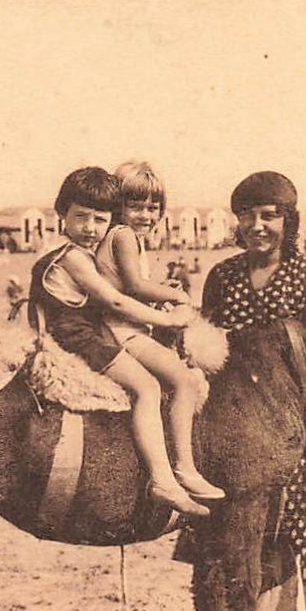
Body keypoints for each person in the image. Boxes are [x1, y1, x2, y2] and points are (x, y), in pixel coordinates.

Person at [193, 170, 306, 575]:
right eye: (247, 216)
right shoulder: (222, 277)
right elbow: (204, 352)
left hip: (299, 437)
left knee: (291, 551)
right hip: (233, 439)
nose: (257, 227)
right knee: (223, 552)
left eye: (269, 216)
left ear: (289, 221)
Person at [28, 166, 205, 516]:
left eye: (99, 220)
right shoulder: (74, 258)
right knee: (147, 388)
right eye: (81, 218)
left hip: (76, 331)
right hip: (79, 337)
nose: (91, 229)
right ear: (62, 214)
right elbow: (116, 301)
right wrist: (168, 318)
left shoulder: (63, 251)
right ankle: (163, 479)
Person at [93, 160, 221, 503]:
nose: (145, 215)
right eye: (135, 207)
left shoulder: (120, 237)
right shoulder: (123, 236)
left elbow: (129, 284)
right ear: (118, 207)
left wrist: (159, 290)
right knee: (184, 381)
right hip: (123, 331)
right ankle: (183, 467)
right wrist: (176, 295)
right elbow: (135, 284)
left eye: (153, 208)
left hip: (121, 326)